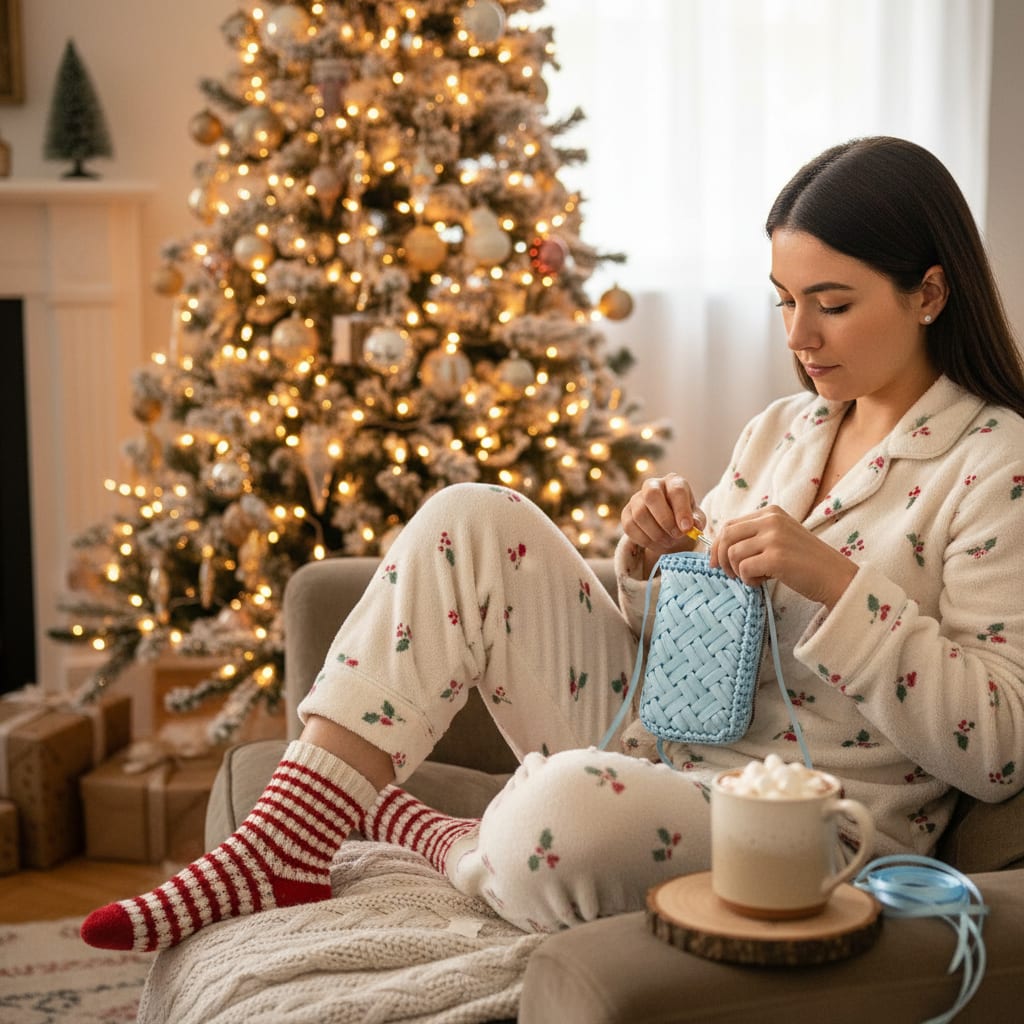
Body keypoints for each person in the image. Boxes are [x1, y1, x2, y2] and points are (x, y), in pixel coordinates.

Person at [82, 136, 1024, 953]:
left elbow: (1000, 749)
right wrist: (652, 568)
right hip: (665, 744)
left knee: (559, 811)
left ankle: (440, 838)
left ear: (930, 291)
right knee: (472, 515)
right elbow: (695, 653)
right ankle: (286, 837)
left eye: (832, 303)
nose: (800, 337)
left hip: (802, 826)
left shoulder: (995, 463)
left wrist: (834, 581)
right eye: (783, 301)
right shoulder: (785, 427)